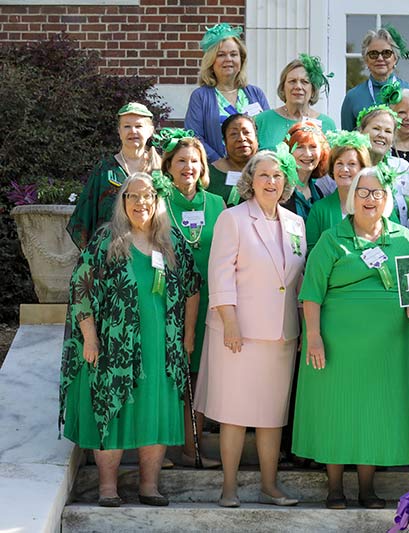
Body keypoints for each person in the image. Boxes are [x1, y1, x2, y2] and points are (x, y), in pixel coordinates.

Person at [59, 172, 201, 507]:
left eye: (147, 196)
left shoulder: (172, 241)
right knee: (113, 410)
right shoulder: (107, 240)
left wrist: (189, 335)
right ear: (122, 202)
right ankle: (108, 488)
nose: (141, 203)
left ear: (157, 200)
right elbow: (80, 287)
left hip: (161, 346)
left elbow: (193, 287)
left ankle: (149, 486)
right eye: (132, 197)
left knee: (155, 411)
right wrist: (89, 337)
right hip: (113, 345)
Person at [292, 166, 409, 510]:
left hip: (387, 347)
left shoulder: (402, 238)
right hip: (337, 345)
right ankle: (334, 487)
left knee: (372, 414)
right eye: (362, 192)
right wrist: (314, 337)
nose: (370, 199)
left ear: (387, 199)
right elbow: (311, 294)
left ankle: (367, 488)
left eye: (377, 193)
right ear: (351, 198)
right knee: (337, 410)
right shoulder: (332, 239)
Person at [194, 146, 306, 508]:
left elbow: (297, 278)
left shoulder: (295, 223)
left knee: (272, 416)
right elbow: (220, 273)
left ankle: (269, 487)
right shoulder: (233, 218)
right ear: (250, 182)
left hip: (282, 334)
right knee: (235, 412)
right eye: (264, 175)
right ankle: (229, 488)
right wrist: (229, 322)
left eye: (277, 176)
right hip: (238, 332)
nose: (271, 181)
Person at [154, 129, 226, 468]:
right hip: (164, 300)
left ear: (202, 167)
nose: (188, 167)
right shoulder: (158, 202)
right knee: (166, 373)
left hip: (209, 298)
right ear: (168, 166)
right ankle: (159, 448)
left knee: (197, 376)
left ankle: (191, 448)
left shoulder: (217, 204)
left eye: (194, 161)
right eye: (180, 161)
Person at [67, 103, 160, 248]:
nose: (132, 131)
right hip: (111, 251)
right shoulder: (104, 170)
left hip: (152, 249)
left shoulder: (160, 170)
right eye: (127, 126)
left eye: (139, 126)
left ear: (150, 130)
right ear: (119, 131)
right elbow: (84, 218)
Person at [185, 23, 269, 163]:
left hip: (254, 171)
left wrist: (257, 164)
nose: (228, 59)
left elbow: (267, 131)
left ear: (241, 59)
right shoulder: (200, 96)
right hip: (217, 172)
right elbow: (194, 137)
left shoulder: (256, 93)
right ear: (211, 61)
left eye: (233, 54)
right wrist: (221, 164)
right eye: (221, 55)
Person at [340, 26, 409, 131]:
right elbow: (347, 141)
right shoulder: (352, 97)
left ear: (395, 58)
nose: (380, 58)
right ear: (366, 60)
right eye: (373, 54)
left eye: (386, 53)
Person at [306, 130, 372, 250]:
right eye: (339, 163)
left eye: (352, 164)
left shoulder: (377, 204)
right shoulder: (319, 209)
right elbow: (312, 254)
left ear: (362, 168)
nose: (344, 169)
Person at [255, 55, 336, 151]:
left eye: (304, 82)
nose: (298, 86)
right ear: (283, 88)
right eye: (292, 81)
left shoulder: (327, 124)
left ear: (313, 90)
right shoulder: (263, 120)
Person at [357, 105, 409, 228]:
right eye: (376, 128)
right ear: (361, 131)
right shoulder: (348, 169)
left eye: (388, 131)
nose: (382, 135)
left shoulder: (402, 167)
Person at [280, 122, 330, 220]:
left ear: (322, 152)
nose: (307, 154)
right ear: (288, 151)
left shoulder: (318, 193)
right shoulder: (279, 188)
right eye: (300, 147)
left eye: (313, 147)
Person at [207, 113, 259, 206]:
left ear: (256, 138)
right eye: (233, 134)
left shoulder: (269, 170)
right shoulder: (209, 174)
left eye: (246, 132)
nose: (241, 138)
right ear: (225, 141)